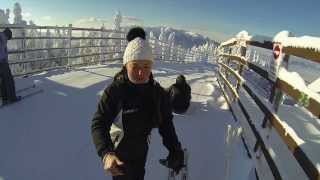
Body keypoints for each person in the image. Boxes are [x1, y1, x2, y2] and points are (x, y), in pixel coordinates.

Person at [91, 27, 184, 180]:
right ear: (126, 65)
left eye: (146, 66)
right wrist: (106, 154)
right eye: (135, 66)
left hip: (141, 151)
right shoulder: (115, 91)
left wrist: (175, 150)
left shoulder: (157, 92)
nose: (141, 73)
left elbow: (166, 123)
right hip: (118, 154)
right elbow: (99, 122)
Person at [0, 27, 20, 105]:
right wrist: (3, 59)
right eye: (8, 38)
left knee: (3, 80)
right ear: (7, 35)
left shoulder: (1, 38)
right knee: (9, 80)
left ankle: (5, 98)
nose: (8, 40)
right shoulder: (2, 39)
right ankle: (12, 98)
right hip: (2, 62)